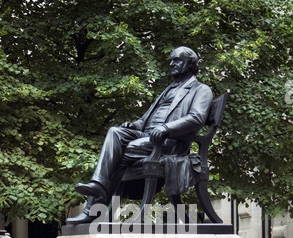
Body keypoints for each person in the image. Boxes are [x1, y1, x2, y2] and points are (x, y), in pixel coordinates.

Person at [66, 46, 213, 224]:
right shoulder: (168, 89)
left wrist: (166, 128)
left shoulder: (200, 89)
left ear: (190, 64)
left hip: (169, 143)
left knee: (121, 154)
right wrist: (133, 125)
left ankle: (93, 208)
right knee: (115, 131)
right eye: (170, 60)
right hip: (147, 137)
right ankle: (97, 186)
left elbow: (196, 118)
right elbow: (144, 120)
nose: (171, 63)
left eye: (177, 60)